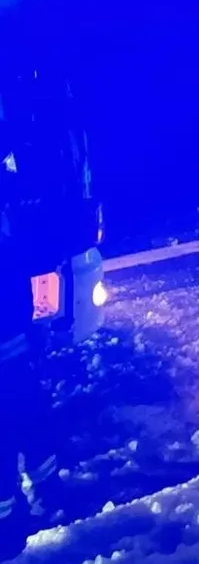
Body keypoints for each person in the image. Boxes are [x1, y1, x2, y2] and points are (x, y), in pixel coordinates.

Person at [0, 121, 61, 560]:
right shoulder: (10, 190)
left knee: (26, 419)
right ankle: (38, 500)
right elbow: (32, 251)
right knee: (26, 419)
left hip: (13, 335)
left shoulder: (9, 190)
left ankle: (20, 513)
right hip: (12, 337)